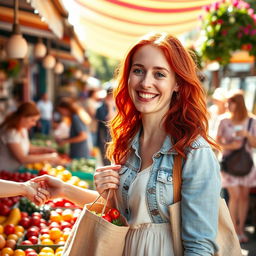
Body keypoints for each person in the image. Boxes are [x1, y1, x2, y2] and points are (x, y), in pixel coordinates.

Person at [32, 32, 221, 255]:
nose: (145, 82)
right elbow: (128, 213)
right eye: (138, 70)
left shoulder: (193, 151)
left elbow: (200, 246)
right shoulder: (125, 143)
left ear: (177, 83)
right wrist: (66, 190)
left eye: (159, 74)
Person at [216, 90, 256, 243]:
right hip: (228, 163)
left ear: (238, 104)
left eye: (230, 103)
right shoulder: (223, 120)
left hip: (246, 165)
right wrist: (230, 145)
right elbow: (217, 142)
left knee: (244, 197)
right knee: (235, 196)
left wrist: (247, 135)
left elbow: (254, 144)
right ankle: (233, 229)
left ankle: (240, 230)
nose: (227, 106)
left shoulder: (252, 121)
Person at [0, 101, 63, 172]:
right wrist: (49, 157)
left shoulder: (23, 128)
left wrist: (44, 149)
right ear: (22, 117)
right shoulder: (10, 131)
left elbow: (28, 148)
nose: (34, 124)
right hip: (4, 172)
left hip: (15, 170)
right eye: (32, 120)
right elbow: (22, 158)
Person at [95, 88, 116, 165]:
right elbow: (110, 120)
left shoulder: (117, 107)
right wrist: (110, 106)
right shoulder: (101, 109)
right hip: (104, 140)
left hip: (115, 139)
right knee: (107, 162)